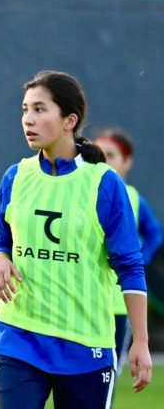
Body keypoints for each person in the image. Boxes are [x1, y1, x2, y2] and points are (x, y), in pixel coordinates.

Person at [0, 70, 152, 409]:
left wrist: (141, 341)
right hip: (18, 337)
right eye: (25, 109)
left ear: (69, 120)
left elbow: (130, 267)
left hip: (85, 345)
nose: (28, 119)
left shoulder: (104, 184)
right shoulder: (15, 177)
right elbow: (3, 241)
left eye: (39, 109)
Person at [94, 129, 162, 375]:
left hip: (118, 302)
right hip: (86, 299)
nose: (104, 161)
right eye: (99, 154)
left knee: (109, 370)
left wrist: (138, 260)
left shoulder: (132, 197)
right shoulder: (82, 191)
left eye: (111, 155)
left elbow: (154, 233)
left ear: (127, 162)